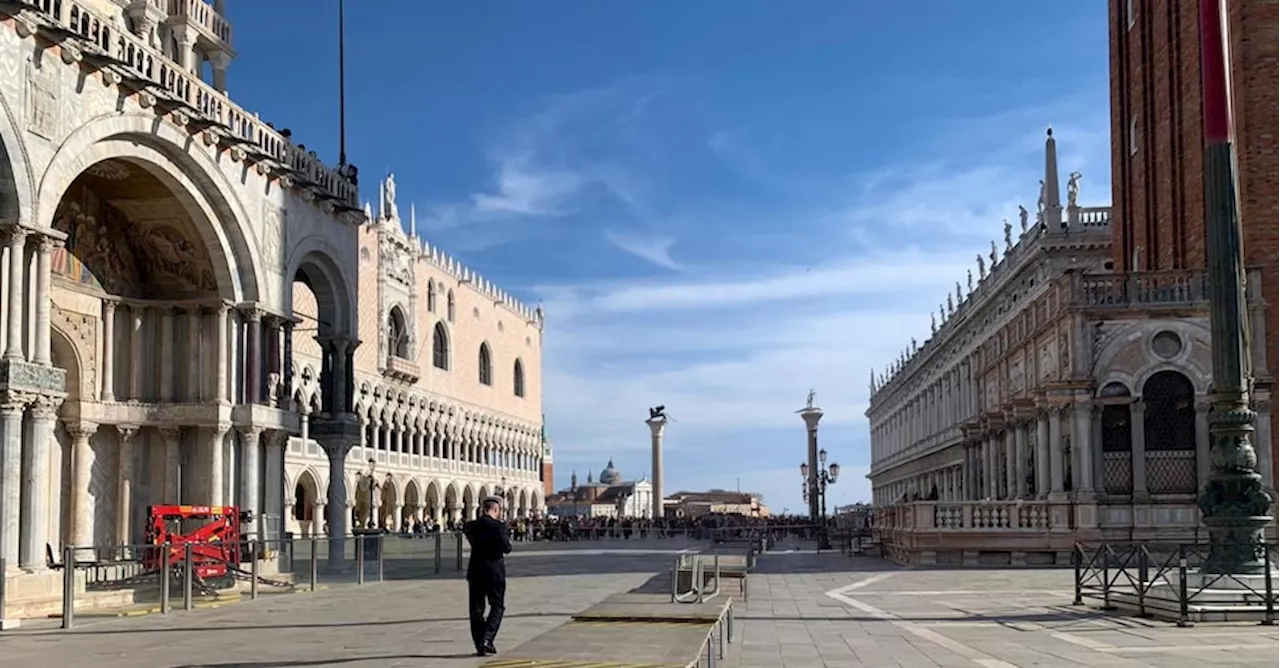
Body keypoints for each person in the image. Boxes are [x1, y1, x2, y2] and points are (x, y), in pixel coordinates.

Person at [463, 496, 512, 656]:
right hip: (495, 572)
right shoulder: (499, 527)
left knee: (476, 610)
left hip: (476, 571)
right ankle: (487, 638)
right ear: (496, 510)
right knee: (497, 606)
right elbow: (506, 548)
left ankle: (480, 644)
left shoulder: (470, 527)